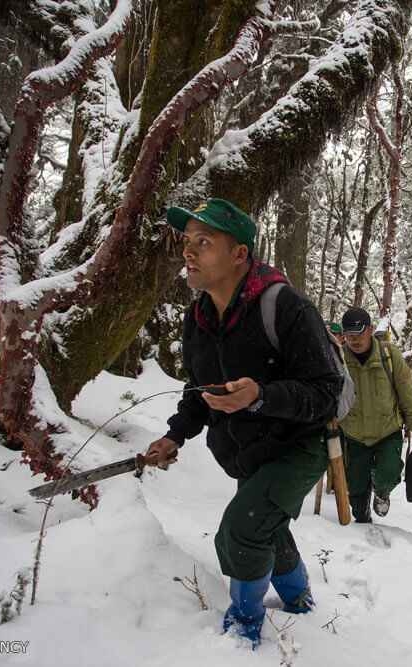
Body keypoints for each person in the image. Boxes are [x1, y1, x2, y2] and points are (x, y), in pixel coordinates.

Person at [144, 199, 341, 647]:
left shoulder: (286, 307)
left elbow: (325, 393)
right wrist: (173, 435)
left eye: (204, 242)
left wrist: (262, 396)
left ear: (239, 255)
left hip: (299, 444)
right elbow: (199, 395)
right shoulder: (197, 320)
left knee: (243, 530)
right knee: (267, 527)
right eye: (186, 242)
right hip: (249, 453)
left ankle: (242, 632)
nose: (188, 253)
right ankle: (299, 600)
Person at [339, 307, 412, 522]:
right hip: (353, 436)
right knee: (357, 494)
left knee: (387, 474)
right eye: (349, 336)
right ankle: (362, 524)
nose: (354, 341)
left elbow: (408, 396)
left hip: (387, 432)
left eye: (359, 334)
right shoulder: (339, 359)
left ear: (370, 329)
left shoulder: (390, 355)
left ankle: (381, 493)